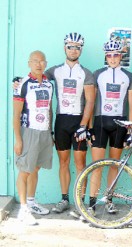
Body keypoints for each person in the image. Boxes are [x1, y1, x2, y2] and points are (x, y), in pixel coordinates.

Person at [45, 33, 95, 217]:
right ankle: (65, 198)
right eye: (70, 46)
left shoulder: (86, 73)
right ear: (64, 47)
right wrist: (20, 80)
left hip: (78, 121)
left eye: (77, 47)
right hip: (61, 121)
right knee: (63, 162)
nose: (73, 50)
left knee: (80, 163)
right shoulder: (55, 71)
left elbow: (90, 101)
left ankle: (80, 202)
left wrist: (84, 125)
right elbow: (38, 77)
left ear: (81, 50)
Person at [86, 38, 132, 216]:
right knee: (97, 165)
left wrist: (130, 130)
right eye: (110, 55)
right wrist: (90, 127)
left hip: (120, 124)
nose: (113, 58)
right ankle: (91, 203)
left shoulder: (129, 76)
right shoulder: (97, 74)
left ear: (121, 56)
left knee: (114, 165)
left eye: (116, 55)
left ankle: (108, 200)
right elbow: (90, 102)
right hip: (100, 122)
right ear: (105, 57)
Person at [13, 50, 54, 225]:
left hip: (44, 132)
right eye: (35, 61)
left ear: (45, 63)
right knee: (25, 171)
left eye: (42, 61)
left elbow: (49, 109)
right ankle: (23, 210)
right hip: (29, 131)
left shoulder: (49, 84)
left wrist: (50, 132)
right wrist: (18, 139)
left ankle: (31, 202)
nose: (39, 64)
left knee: (36, 169)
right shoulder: (23, 84)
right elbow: (16, 114)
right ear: (29, 63)